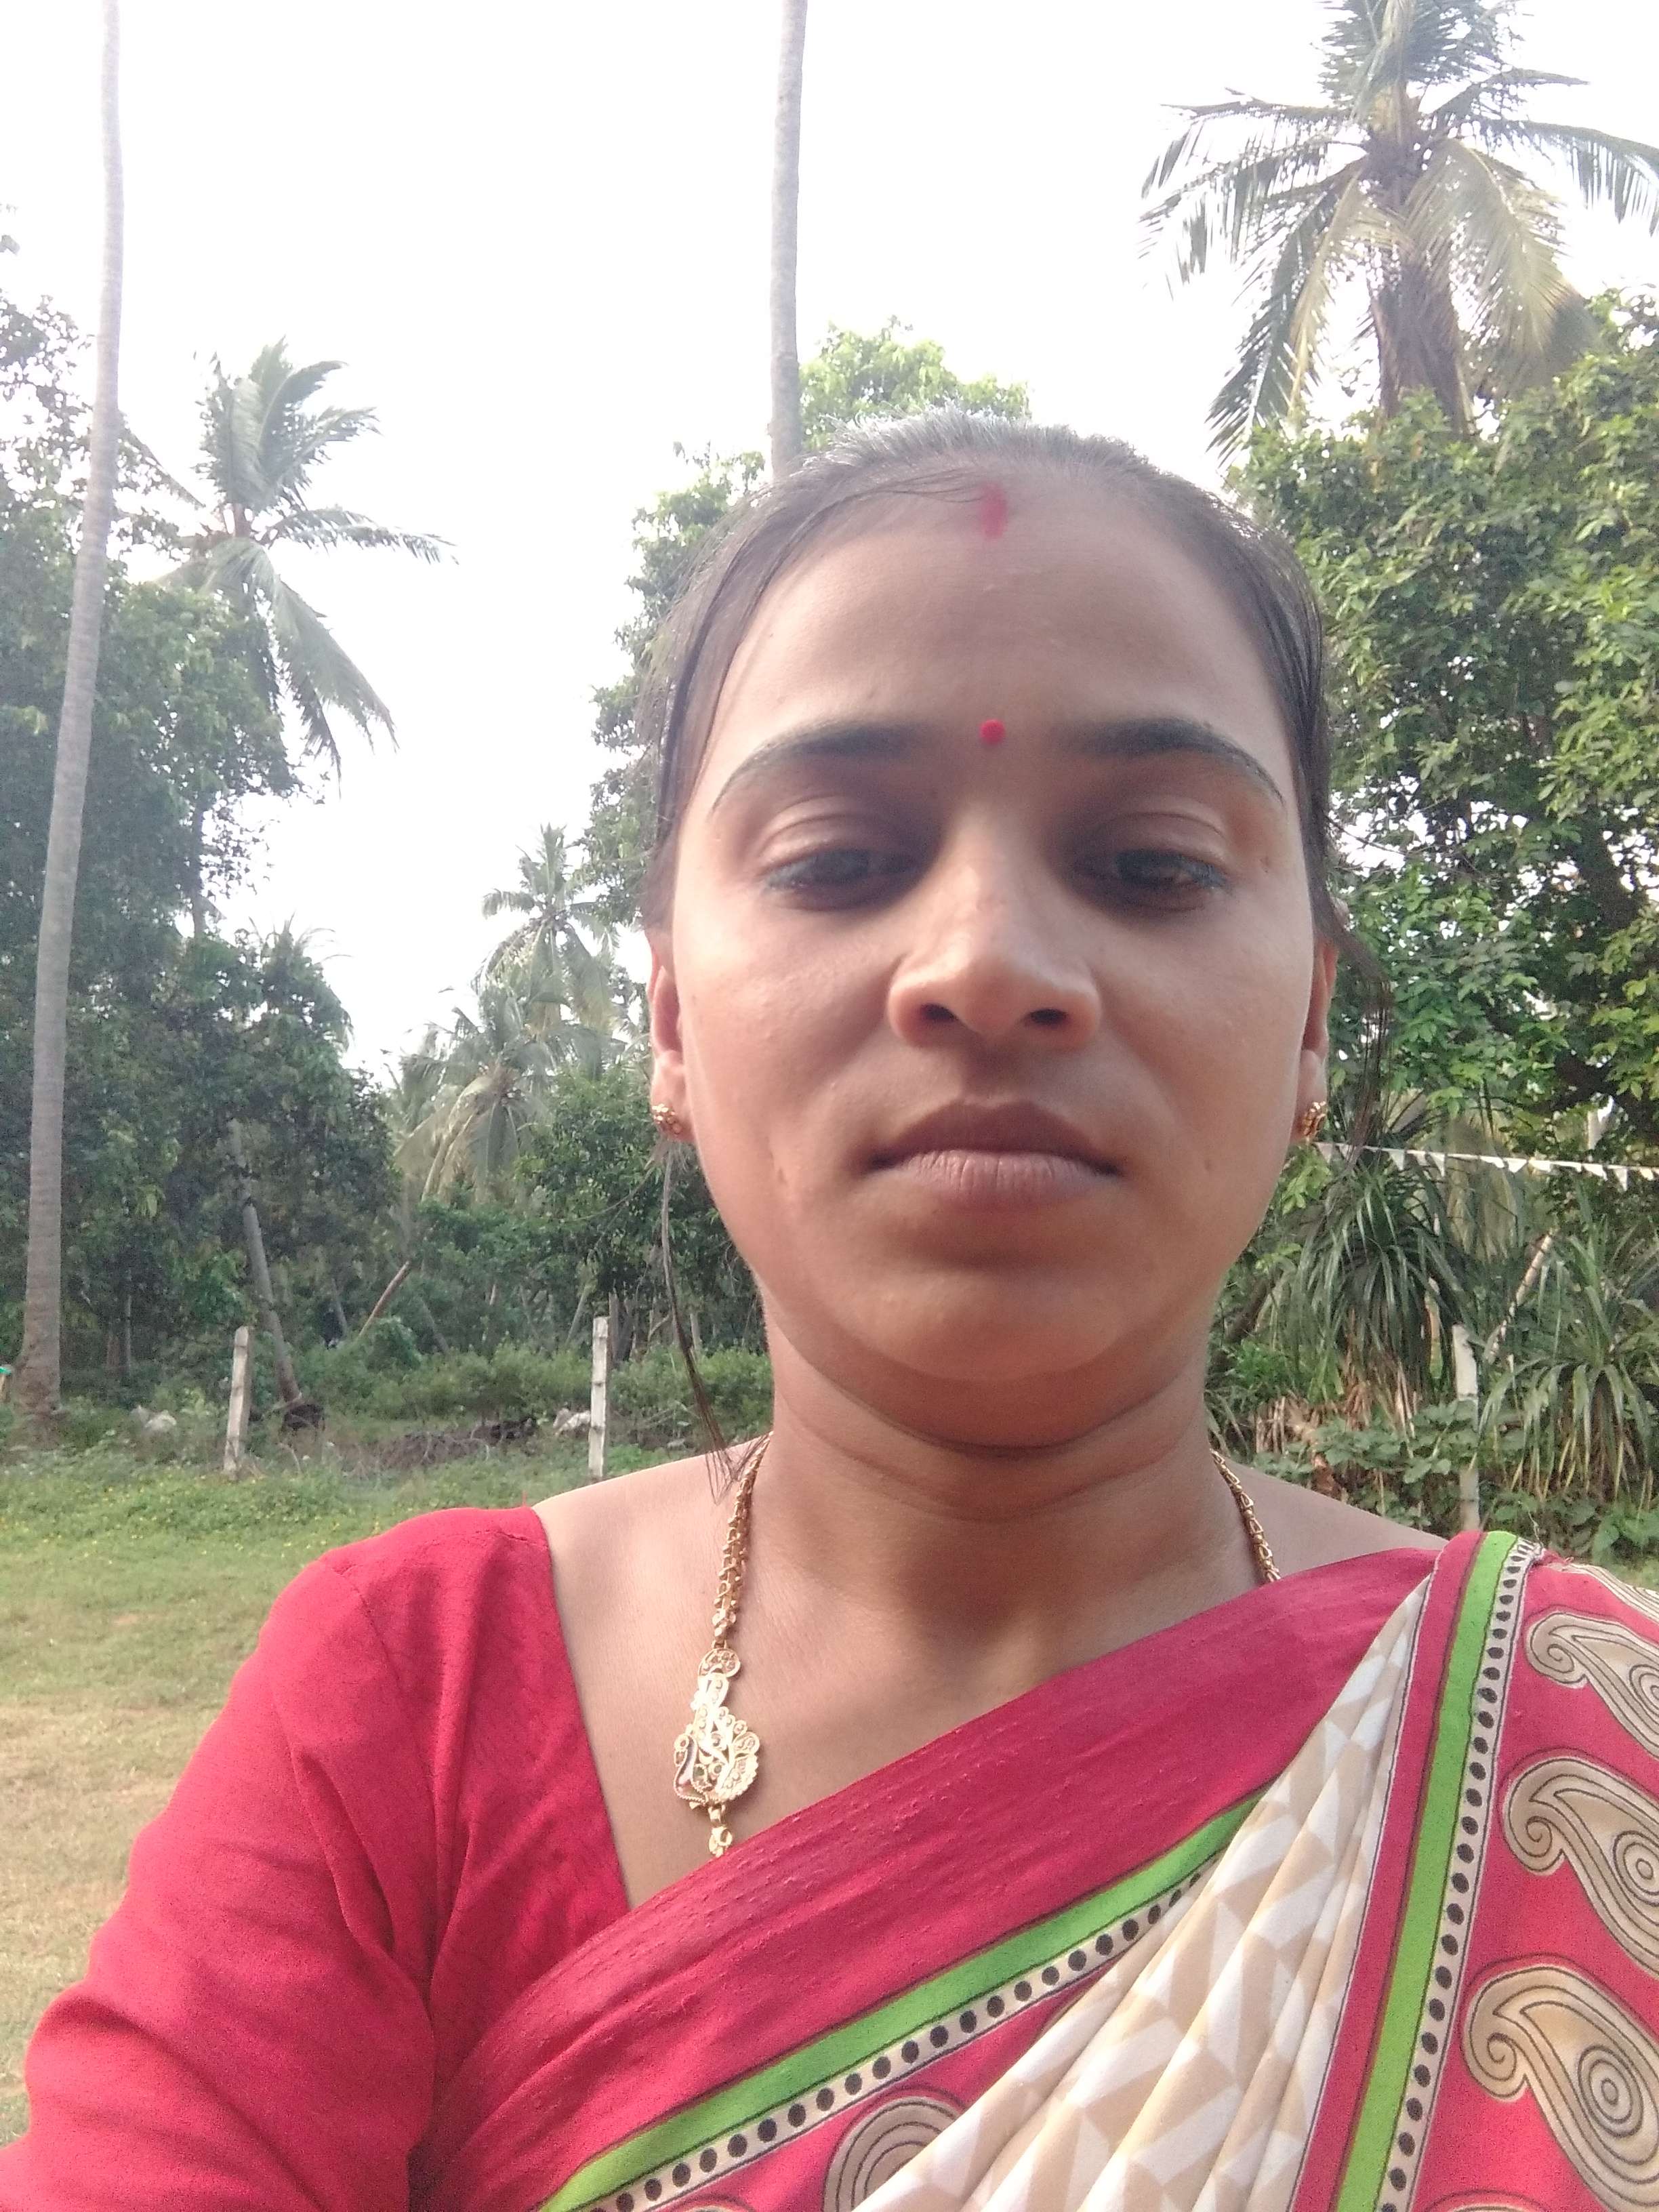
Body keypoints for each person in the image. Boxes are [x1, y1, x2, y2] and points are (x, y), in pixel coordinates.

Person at [6, 414, 1657, 2212]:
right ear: (669, 1019)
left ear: (1316, 1019)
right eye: (837, 858)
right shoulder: (413, 1704)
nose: (990, 965)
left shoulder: (1577, 1741)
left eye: (1154, 864)